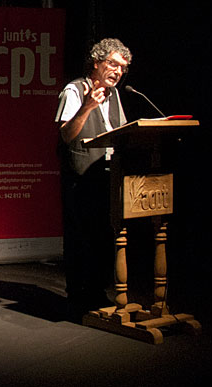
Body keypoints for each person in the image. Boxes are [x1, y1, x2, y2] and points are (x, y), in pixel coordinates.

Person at [55, 38, 132, 318]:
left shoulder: (114, 95)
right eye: (113, 64)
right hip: (81, 177)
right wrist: (87, 106)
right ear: (96, 63)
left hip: (107, 175)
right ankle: (78, 298)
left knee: (103, 237)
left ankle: (98, 293)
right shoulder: (74, 90)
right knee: (81, 239)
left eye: (122, 67)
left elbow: (120, 130)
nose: (118, 71)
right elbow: (66, 135)